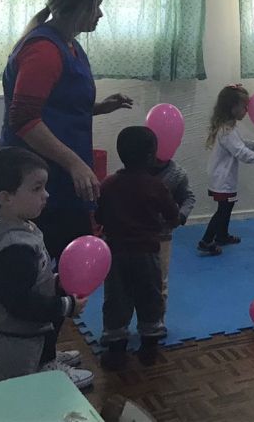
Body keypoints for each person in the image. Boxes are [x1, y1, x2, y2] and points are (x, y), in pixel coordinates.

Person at [0, 0, 133, 260]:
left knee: (66, 258)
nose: (100, 14)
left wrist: (98, 108)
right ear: (77, 6)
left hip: (58, 173)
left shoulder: (70, 45)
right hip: (39, 176)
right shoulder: (44, 50)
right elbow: (23, 118)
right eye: (96, 5)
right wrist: (75, 164)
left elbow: (56, 106)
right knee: (46, 263)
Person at [0, 147, 92, 388]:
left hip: (28, 331)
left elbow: (32, 276)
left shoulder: (18, 227)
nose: (46, 195)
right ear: (6, 198)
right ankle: (44, 371)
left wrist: (55, 282)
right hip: (16, 343)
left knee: (44, 330)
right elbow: (21, 304)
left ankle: (46, 358)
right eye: (36, 188)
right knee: (23, 389)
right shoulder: (12, 249)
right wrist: (66, 305)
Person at [96, 127, 180, 370]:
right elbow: (173, 215)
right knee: (150, 296)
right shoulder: (156, 185)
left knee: (116, 298)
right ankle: (149, 346)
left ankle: (116, 349)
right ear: (151, 155)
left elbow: (99, 216)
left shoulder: (108, 184)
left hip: (116, 254)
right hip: (147, 253)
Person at [198, 85, 254, 255]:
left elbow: (242, 144)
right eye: (244, 106)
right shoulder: (227, 131)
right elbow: (241, 152)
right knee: (223, 210)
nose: (247, 110)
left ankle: (222, 236)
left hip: (223, 178)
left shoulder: (229, 128)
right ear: (232, 107)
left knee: (227, 207)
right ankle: (206, 241)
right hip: (223, 179)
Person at [152, 155, 194, 309]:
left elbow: (188, 198)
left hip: (162, 235)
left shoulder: (177, 174)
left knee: (159, 281)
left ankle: (157, 318)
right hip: (134, 234)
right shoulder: (136, 170)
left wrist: (181, 216)